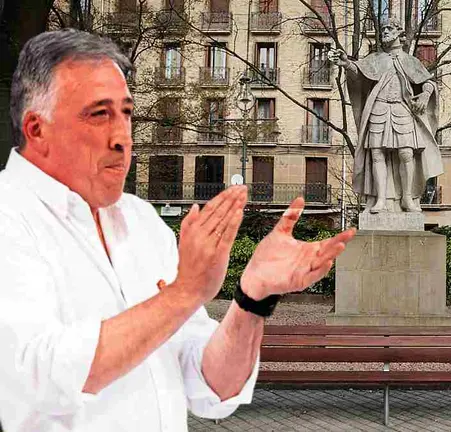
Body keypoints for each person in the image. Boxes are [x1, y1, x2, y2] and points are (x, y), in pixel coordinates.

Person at [0, 29, 355, 432]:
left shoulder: (141, 221)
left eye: (127, 113)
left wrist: (253, 297)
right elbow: (36, 378)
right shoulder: (9, 217)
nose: (122, 137)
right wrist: (185, 291)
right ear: (37, 130)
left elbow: (208, 387)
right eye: (99, 114)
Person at [328, 19, 443, 214]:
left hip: (402, 110)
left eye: (389, 29)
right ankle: (380, 199)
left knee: (406, 154)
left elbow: (428, 82)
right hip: (378, 110)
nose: (385, 32)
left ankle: (407, 198)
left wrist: (424, 95)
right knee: (377, 154)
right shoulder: (375, 59)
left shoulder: (410, 60)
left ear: (399, 32)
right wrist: (346, 63)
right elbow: (359, 72)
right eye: (383, 30)